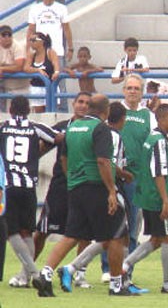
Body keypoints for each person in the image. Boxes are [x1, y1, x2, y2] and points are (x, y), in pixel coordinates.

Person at [34, 94, 130, 297]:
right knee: (117, 235)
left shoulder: (72, 128)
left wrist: (72, 180)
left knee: (71, 235)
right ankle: (116, 285)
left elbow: (64, 158)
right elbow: (103, 161)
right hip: (97, 187)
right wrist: (112, 190)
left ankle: (45, 273)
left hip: (75, 188)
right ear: (105, 112)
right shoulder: (100, 128)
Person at [7, 92, 92, 289]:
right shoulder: (62, 127)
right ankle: (26, 273)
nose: (83, 106)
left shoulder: (93, 129)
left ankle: (79, 273)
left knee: (84, 232)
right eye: (80, 101)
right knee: (42, 231)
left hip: (82, 185)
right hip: (60, 187)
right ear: (73, 103)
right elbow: (43, 146)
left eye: (87, 103)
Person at [118, 103, 168, 294]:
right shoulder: (158, 140)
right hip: (159, 199)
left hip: (150, 198)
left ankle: (125, 266)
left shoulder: (152, 139)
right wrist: (165, 200)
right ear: (161, 120)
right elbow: (159, 172)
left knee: (157, 240)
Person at [99, 74, 157, 283]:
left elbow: (153, 145)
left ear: (142, 92)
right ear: (123, 90)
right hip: (115, 176)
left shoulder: (149, 115)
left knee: (132, 227)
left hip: (136, 178)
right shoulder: (114, 112)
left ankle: (126, 269)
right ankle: (107, 268)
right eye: (129, 88)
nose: (132, 91)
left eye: (136, 88)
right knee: (111, 224)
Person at [0, 96, 59, 291]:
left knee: (11, 231)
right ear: (29, 110)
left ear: (10, 110)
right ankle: (25, 277)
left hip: (8, 186)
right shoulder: (35, 127)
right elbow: (59, 138)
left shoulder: (2, 127)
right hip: (28, 186)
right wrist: (38, 152)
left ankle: (33, 273)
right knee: (27, 231)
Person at [27, 0, 73, 112]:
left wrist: (70, 47)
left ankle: (62, 112)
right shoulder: (35, 9)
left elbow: (66, 29)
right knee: (39, 82)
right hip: (39, 50)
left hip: (57, 50)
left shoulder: (62, 8)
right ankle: (43, 112)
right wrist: (28, 49)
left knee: (59, 82)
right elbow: (31, 29)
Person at [24, 32, 59, 113]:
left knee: (51, 112)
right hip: (36, 88)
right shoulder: (32, 55)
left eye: (34, 40)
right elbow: (26, 68)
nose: (31, 43)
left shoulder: (50, 52)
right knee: (39, 114)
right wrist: (38, 70)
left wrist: (56, 72)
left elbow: (56, 64)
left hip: (50, 87)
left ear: (42, 41)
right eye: (30, 40)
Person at [0, 25, 30, 112]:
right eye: (3, 35)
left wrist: (2, 68)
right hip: (4, 85)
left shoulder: (17, 47)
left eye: (9, 35)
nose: (7, 38)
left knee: (15, 111)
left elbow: (19, 66)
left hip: (19, 86)